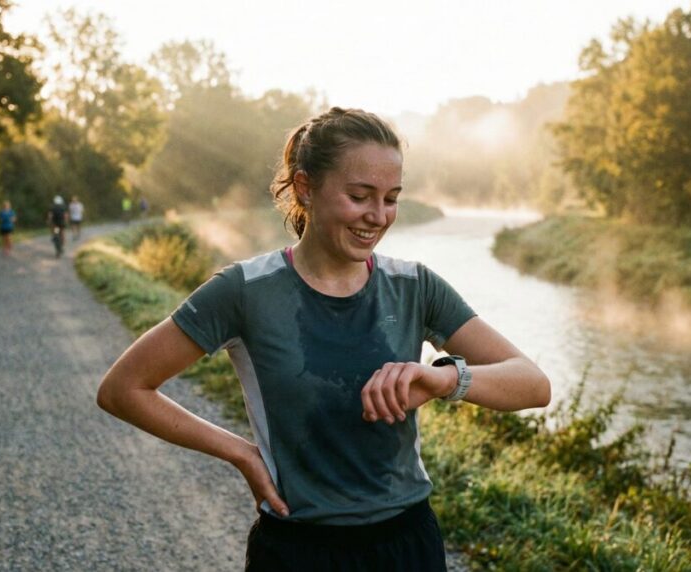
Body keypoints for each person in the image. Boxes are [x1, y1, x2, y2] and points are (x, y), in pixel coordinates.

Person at [96, 107, 551, 571]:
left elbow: (533, 384)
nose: (378, 216)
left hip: (406, 545)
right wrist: (241, 453)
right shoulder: (245, 291)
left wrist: (440, 379)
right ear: (305, 188)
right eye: (359, 196)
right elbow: (123, 389)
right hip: (297, 551)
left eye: (391, 198)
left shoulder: (415, 286)